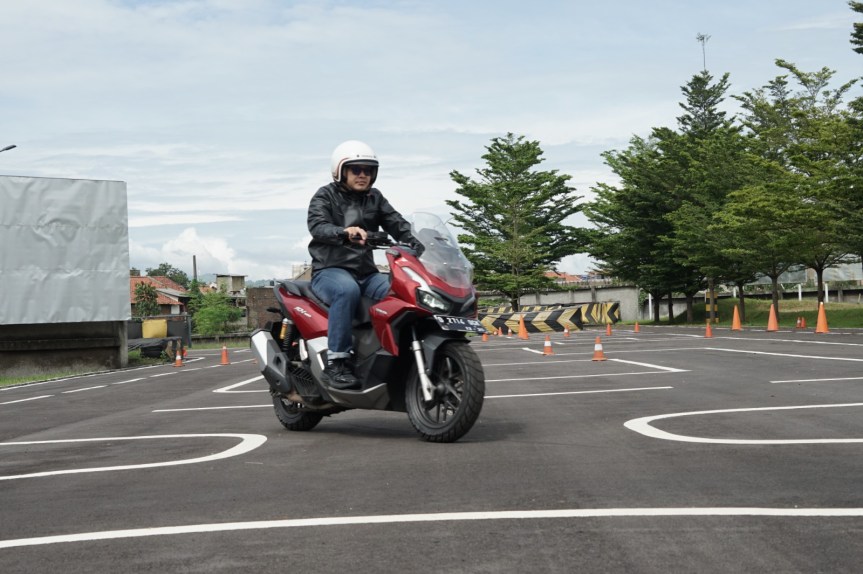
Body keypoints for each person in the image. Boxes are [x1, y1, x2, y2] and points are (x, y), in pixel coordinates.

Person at [307, 140, 423, 390]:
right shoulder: (325, 195)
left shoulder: (375, 197)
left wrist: (420, 243)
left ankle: (395, 356)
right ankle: (337, 362)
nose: (362, 175)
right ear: (341, 171)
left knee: (402, 292)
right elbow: (317, 226)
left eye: (367, 170)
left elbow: (396, 223)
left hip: (367, 273)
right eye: (356, 169)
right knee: (346, 290)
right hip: (330, 269)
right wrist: (343, 232)